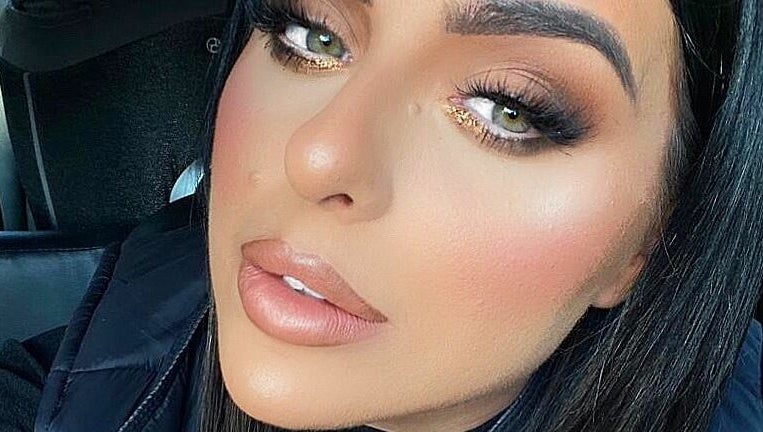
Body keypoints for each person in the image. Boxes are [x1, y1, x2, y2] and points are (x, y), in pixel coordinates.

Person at [1, 0, 762, 431]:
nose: (317, 154)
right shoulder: (81, 360)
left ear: (654, 235)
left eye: (507, 109)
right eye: (312, 34)